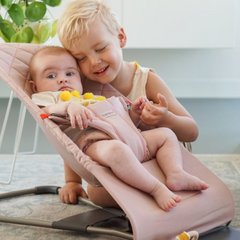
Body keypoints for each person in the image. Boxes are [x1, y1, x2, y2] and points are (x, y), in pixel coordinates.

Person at [56, 0, 203, 207]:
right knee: (96, 193)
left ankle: (167, 185)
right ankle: (152, 194)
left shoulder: (147, 80)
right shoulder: (83, 90)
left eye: (100, 48)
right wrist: (72, 181)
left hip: (158, 162)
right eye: (80, 58)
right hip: (122, 170)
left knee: (168, 153)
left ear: (121, 38)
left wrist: (165, 118)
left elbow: (192, 132)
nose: (93, 62)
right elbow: (75, 137)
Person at [29, 46, 208, 211]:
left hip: (131, 138)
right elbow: (50, 119)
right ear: (35, 87)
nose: (62, 79)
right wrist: (68, 107)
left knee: (165, 134)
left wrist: (135, 115)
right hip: (96, 144)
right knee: (116, 150)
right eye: (51, 76)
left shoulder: (91, 97)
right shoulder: (48, 99)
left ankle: (176, 173)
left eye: (69, 73)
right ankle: (155, 189)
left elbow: (123, 122)